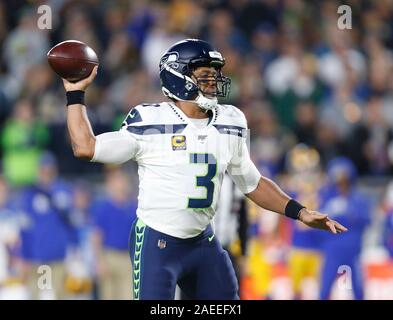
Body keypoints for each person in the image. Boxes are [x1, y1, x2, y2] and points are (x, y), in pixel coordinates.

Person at [61, 39, 347, 300]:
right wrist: (75, 94)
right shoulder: (150, 119)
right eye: (205, 75)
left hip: (202, 241)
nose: (214, 81)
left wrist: (300, 212)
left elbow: (252, 183)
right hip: (157, 242)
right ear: (178, 76)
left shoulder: (231, 120)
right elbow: (86, 147)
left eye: (215, 74)